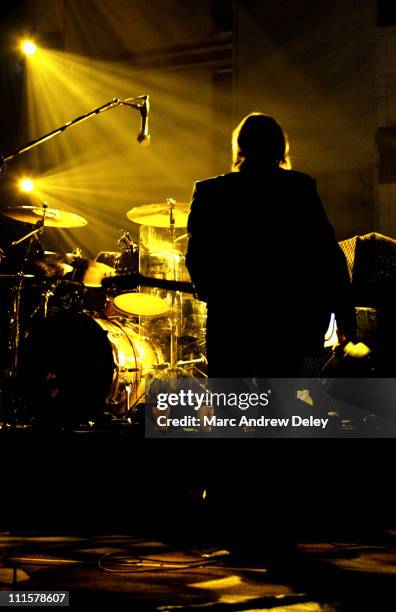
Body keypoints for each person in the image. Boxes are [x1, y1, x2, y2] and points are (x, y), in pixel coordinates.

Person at [186, 113, 355, 378]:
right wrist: (346, 319)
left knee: (230, 406)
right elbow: (327, 256)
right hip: (284, 320)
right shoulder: (299, 188)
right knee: (279, 406)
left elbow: (197, 257)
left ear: (240, 146)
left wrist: (215, 293)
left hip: (231, 319)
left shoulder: (210, 191)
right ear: (280, 147)